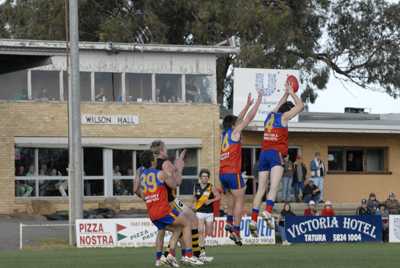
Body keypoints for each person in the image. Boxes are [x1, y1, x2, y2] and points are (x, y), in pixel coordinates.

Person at [250, 80, 304, 236]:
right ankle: (267, 211)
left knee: (261, 189)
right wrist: (293, 92)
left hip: (264, 154)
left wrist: (286, 92)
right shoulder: (285, 117)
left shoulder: (271, 115)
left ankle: (253, 220)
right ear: (288, 110)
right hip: (276, 154)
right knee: (273, 186)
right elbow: (300, 106)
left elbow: (280, 104)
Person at [138, 150, 202, 266]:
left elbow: (141, 193)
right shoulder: (160, 173)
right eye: (155, 157)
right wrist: (177, 169)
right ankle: (188, 255)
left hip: (152, 214)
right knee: (187, 223)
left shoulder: (142, 176)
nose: (156, 159)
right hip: (163, 210)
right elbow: (175, 184)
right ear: (152, 161)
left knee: (178, 229)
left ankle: (170, 255)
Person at [220, 91, 262, 244]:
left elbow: (238, 119)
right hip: (232, 172)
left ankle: (229, 222)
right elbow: (248, 118)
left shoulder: (224, 134)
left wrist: (247, 104)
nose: (239, 122)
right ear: (234, 125)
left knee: (231, 198)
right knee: (240, 200)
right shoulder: (236, 131)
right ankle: (236, 230)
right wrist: (258, 102)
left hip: (222, 173)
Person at [193, 169, 221, 258]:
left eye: (206, 176)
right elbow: (194, 198)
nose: (205, 178)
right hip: (200, 212)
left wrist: (210, 200)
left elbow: (218, 196)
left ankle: (201, 245)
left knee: (209, 232)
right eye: (203, 176)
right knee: (200, 231)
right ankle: (202, 251)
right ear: (200, 178)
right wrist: (193, 207)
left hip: (209, 212)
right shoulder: (195, 186)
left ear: (208, 178)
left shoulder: (211, 187)